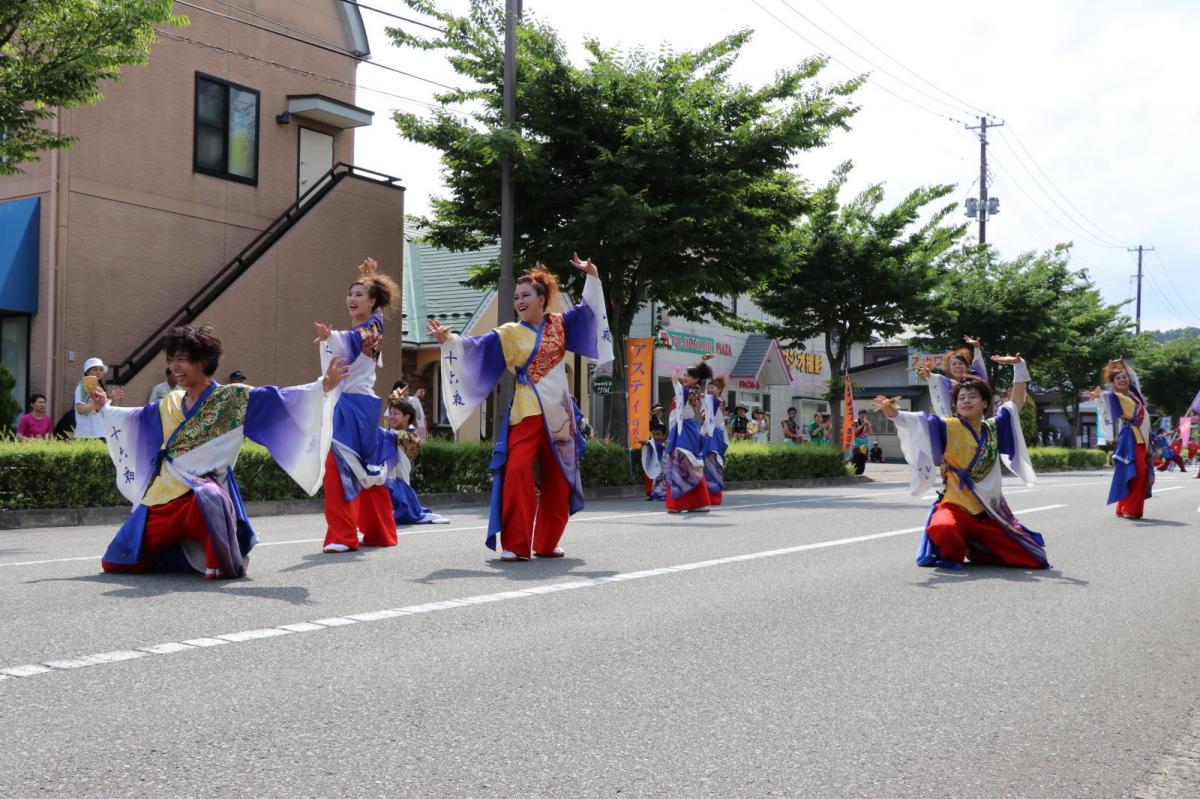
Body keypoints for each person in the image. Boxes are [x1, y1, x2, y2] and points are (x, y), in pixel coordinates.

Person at [89, 323, 348, 578]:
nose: (174, 368)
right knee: (116, 562)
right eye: (171, 360)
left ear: (203, 361)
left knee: (211, 501)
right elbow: (137, 418)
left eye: (181, 359)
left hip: (205, 499)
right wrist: (107, 408)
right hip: (164, 496)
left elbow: (278, 399)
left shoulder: (233, 399)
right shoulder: (169, 402)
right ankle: (178, 555)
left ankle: (226, 557)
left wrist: (322, 385)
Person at [428, 253, 613, 560]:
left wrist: (592, 276)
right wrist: (448, 340)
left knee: (560, 478)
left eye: (526, 295)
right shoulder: (510, 332)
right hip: (525, 412)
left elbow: (589, 311)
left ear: (543, 299)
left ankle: (547, 542)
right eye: (516, 297)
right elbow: (476, 346)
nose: (519, 301)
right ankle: (515, 544)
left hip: (559, 411)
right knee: (516, 472)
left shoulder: (560, 324)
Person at [876, 354, 1049, 570]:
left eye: (972, 396)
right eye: (961, 398)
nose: (966, 401)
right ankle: (958, 551)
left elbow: (1015, 403)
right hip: (955, 506)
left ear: (985, 402)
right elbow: (919, 420)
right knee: (943, 527)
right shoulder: (948, 426)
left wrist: (1020, 367)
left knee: (1033, 559)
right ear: (955, 405)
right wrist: (895, 414)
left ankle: (976, 547)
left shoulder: (994, 428)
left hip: (988, 512)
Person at [315, 257, 401, 554]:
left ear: (373, 302)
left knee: (337, 466)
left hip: (352, 406)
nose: (351, 299)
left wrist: (331, 337)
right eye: (350, 294)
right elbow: (355, 334)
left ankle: (342, 535)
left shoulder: (370, 331)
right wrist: (370, 276)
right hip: (360, 405)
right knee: (367, 470)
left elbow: (353, 339)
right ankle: (379, 531)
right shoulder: (371, 326)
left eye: (359, 295)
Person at [1088, 358, 1154, 519]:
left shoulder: (1133, 393)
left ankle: (1123, 507)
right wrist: (1097, 395)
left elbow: (1135, 378)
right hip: (1131, 438)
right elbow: (1104, 396)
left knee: (1135, 472)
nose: (1122, 380)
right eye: (1118, 378)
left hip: (1143, 438)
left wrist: (1123, 365)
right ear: (1113, 382)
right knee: (1137, 473)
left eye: (1124, 377)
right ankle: (1131, 509)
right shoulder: (1114, 395)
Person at [384, 390, 448, 525]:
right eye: (390, 414)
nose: (391, 417)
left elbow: (386, 436)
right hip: (392, 483)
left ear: (406, 417)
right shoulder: (396, 433)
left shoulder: (410, 434)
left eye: (395, 413)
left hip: (399, 486)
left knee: (400, 515)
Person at [665, 360, 714, 513]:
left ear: (696, 379)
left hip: (685, 429)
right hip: (686, 428)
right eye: (685, 374)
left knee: (682, 464)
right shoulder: (696, 391)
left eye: (689, 375)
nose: (685, 377)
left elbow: (680, 393)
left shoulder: (690, 391)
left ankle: (679, 504)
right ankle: (697, 502)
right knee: (689, 465)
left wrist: (675, 382)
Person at [918, 335, 988, 417]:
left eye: (960, 363)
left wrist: (976, 348)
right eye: (954, 364)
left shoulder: (975, 380)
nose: (957, 366)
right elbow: (938, 380)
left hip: (976, 422)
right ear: (950, 368)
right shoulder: (948, 384)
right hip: (956, 424)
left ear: (967, 366)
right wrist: (929, 375)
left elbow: (979, 366)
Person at [74, 358, 117, 440]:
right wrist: (96, 404)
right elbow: (80, 409)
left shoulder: (98, 388)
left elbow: (99, 409)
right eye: (95, 369)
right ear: (87, 371)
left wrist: (110, 398)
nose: (98, 372)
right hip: (88, 434)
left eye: (101, 370)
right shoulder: (84, 386)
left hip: (98, 433)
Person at [701, 376, 728, 505]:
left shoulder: (719, 401)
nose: (710, 389)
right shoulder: (706, 401)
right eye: (709, 387)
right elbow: (703, 415)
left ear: (719, 390)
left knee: (714, 463)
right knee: (705, 465)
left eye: (713, 387)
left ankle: (715, 496)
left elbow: (712, 402)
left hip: (716, 435)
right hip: (706, 433)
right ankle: (706, 495)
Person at [641, 421, 668, 500]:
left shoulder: (665, 444)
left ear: (664, 435)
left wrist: (647, 442)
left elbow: (657, 445)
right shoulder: (657, 444)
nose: (655, 436)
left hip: (668, 474)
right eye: (654, 434)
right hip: (660, 473)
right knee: (656, 489)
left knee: (660, 492)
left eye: (658, 434)